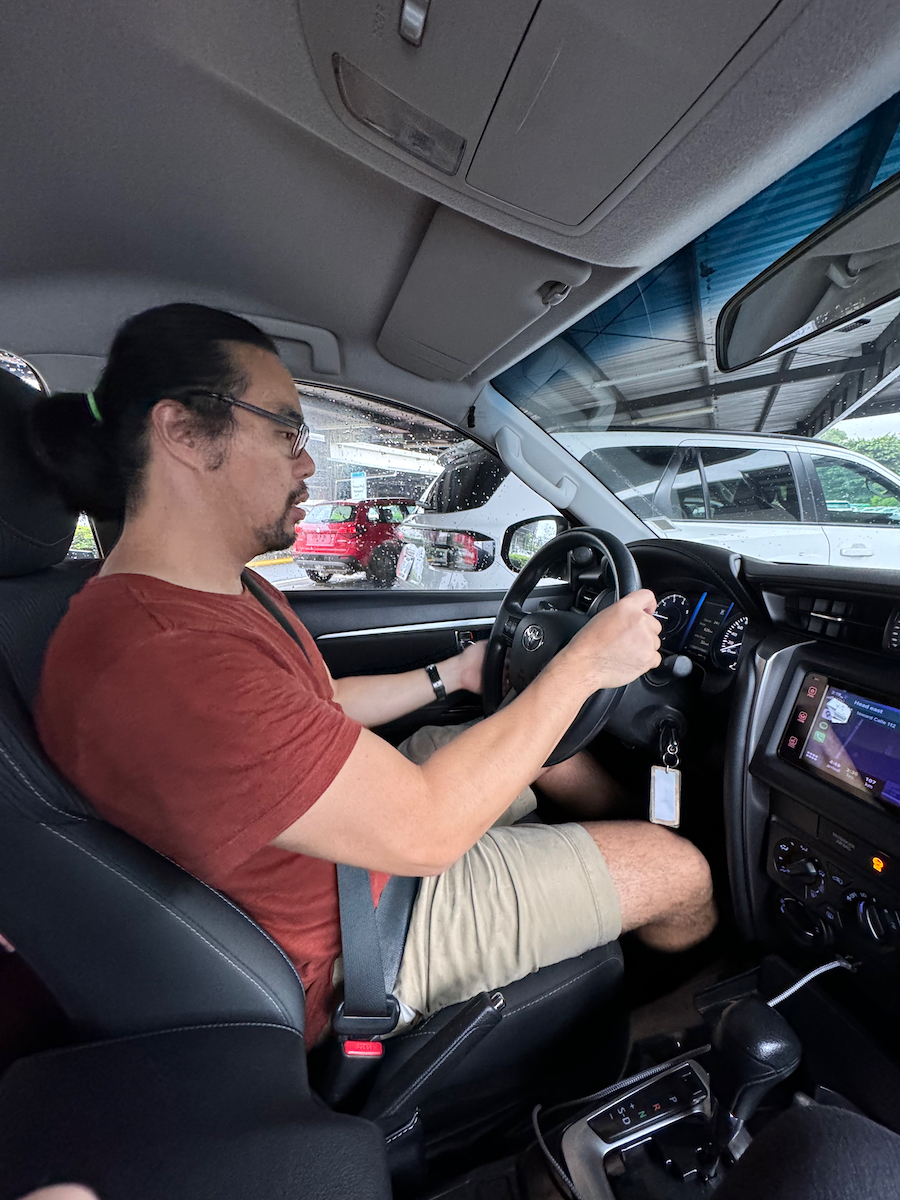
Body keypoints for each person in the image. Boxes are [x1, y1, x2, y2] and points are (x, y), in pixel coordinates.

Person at [31, 304, 716, 1046]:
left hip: (342, 848)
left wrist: (454, 673)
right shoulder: (161, 657)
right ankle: (649, 1048)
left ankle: (619, 854)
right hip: (361, 934)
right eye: (286, 431)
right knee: (679, 871)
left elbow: (318, 703)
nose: (307, 464)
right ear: (183, 432)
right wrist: (584, 666)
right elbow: (427, 831)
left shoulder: (219, 591)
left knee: (538, 746)